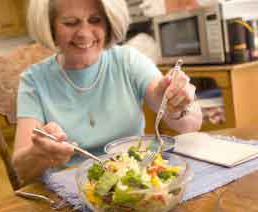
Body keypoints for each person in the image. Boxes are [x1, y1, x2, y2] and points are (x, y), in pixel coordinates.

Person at [12, 0, 203, 182]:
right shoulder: (34, 81)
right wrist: (40, 153)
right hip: (71, 189)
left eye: (95, 20)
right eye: (71, 23)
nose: (84, 33)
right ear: (49, 26)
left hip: (138, 180)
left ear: (108, 22)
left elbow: (190, 124)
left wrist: (176, 103)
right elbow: (22, 169)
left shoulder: (128, 61)